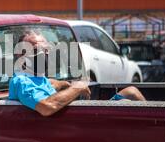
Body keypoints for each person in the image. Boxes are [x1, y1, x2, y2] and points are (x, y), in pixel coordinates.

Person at [8, 31, 145, 117]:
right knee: (129, 98)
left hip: (81, 121)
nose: (46, 53)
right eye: (39, 49)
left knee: (131, 92)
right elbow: (47, 107)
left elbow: (50, 84)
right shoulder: (22, 81)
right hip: (77, 129)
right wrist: (77, 87)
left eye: (47, 48)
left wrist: (64, 84)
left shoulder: (39, 78)